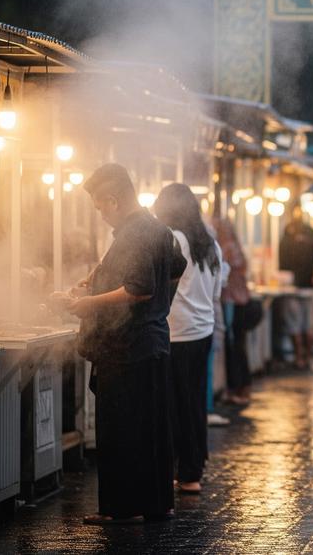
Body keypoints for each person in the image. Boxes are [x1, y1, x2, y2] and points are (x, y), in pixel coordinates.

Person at [69, 163, 186, 525]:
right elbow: (176, 268)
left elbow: (138, 288)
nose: (101, 215)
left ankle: (121, 508)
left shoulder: (135, 233)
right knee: (150, 429)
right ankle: (155, 503)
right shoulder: (157, 227)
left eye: (100, 207)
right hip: (152, 343)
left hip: (128, 347)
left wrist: (86, 303)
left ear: (114, 199)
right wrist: (100, 279)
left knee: (121, 430)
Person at [154, 183, 223, 494]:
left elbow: (161, 286)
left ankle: (182, 469)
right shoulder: (211, 244)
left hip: (176, 330)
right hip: (203, 330)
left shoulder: (174, 240)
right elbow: (217, 292)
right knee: (193, 401)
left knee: (173, 405)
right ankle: (193, 469)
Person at [216, 217, 254, 405]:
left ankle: (236, 388)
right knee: (238, 344)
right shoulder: (234, 245)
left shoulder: (226, 247)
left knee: (233, 344)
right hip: (239, 300)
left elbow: (224, 272)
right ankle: (242, 386)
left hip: (232, 300)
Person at [279, 215, 313, 371]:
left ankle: (299, 358)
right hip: (309, 286)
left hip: (293, 286)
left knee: (294, 324)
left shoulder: (286, 237)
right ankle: (308, 357)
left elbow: (282, 264)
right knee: (308, 324)